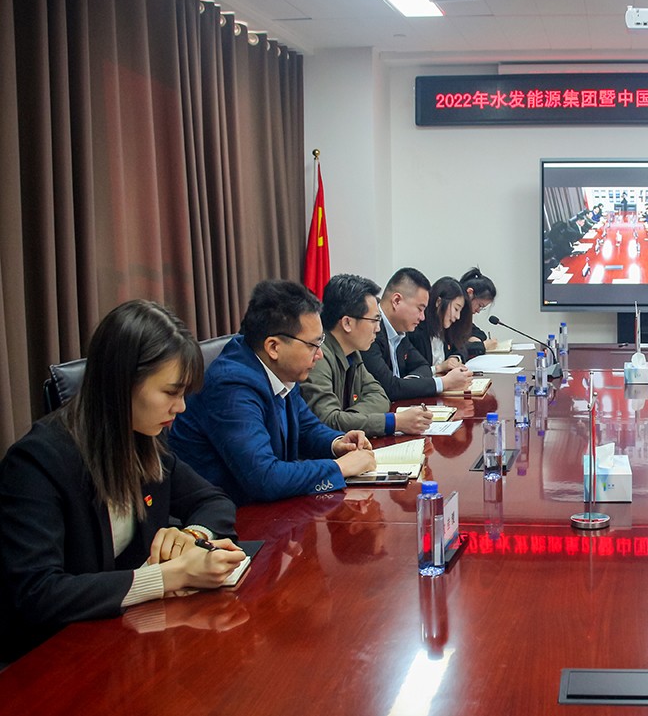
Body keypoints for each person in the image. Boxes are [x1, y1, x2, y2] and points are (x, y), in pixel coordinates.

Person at [0, 300, 245, 661]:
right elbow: (38, 593)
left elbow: (213, 500)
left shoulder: (143, 440)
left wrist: (192, 536)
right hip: (57, 656)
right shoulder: (38, 462)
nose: (181, 407)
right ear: (122, 383)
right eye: (171, 392)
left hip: (128, 638)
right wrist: (171, 575)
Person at [169, 280, 376, 504]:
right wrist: (340, 467)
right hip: (228, 514)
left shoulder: (281, 369)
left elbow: (306, 427)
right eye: (312, 345)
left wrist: (337, 443)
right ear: (274, 347)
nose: (320, 355)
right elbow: (264, 478)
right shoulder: (230, 387)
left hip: (270, 509)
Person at [301, 274, 432, 437]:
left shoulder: (353, 354)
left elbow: (381, 396)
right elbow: (328, 421)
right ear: (347, 323)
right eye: (374, 320)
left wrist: (348, 419)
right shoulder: (318, 357)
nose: (378, 328)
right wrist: (393, 422)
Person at [363, 267, 473, 401]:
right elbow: (389, 388)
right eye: (420, 309)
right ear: (396, 301)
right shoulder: (370, 331)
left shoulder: (400, 332)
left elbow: (423, 366)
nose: (422, 317)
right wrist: (444, 383)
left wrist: (406, 384)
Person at [408, 277, 473, 371]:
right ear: (439, 302)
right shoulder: (415, 329)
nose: (458, 316)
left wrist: (454, 358)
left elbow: (461, 348)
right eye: (456, 309)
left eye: (460, 311)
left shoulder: (447, 328)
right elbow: (413, 372)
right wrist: (439, 368)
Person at [461, 267, 498, 358]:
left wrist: (473, 340)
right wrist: (483, 345)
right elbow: (455, 348)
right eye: (480, 305)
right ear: (470, 293)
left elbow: (480, 334)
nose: (478, 311)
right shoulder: (453, 316)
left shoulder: (464, 315)